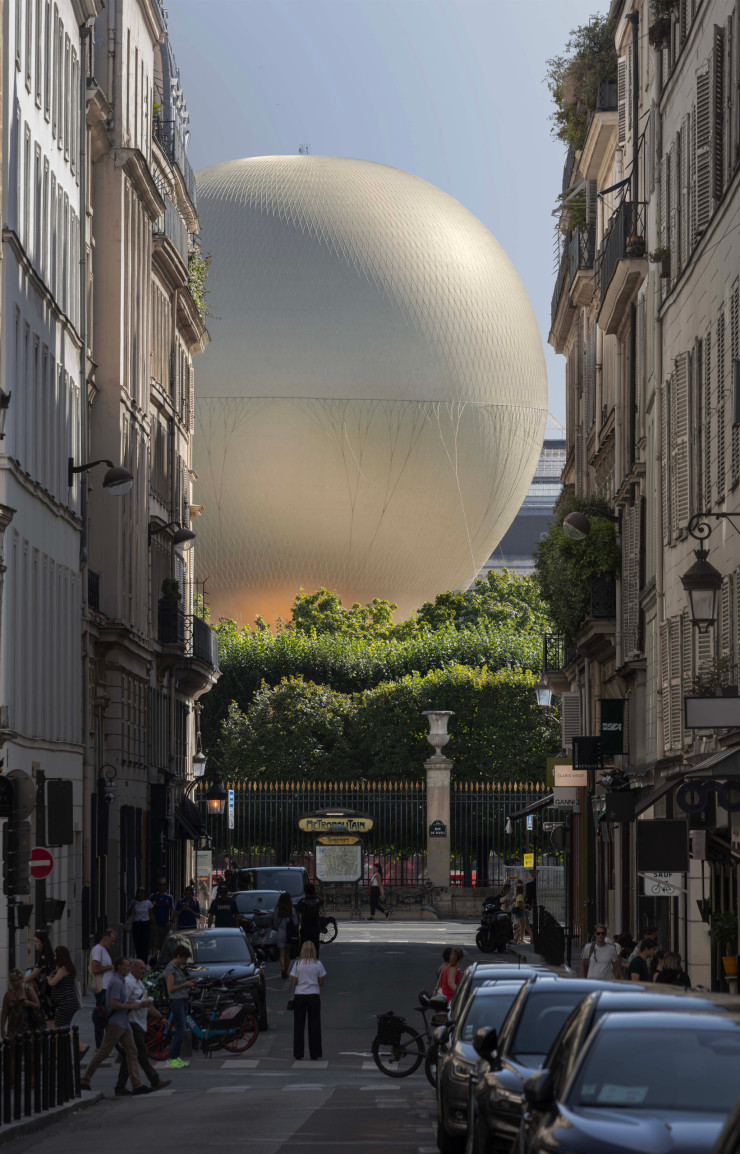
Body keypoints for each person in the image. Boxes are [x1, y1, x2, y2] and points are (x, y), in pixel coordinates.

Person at [80, 957, 149, 1094]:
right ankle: (85, 1079)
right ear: (119, 967)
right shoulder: (117, 983)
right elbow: (113, 1004)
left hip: (123, 1022)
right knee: (103, 1053)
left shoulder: (121, 981)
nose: (129, 968)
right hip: (115, 1024)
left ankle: (137, 1085)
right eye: (127, 966)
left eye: (129, 966)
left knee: (132, 1051)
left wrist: (137, 1004)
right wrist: (132, 1006)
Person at [113, 959, 171, 1095]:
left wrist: (160, 1017)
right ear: (132, 969)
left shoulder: (139, 983)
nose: (143, 971)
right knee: (141, 1053)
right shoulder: (128, 983)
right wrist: (136, 1005)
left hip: (139, 1022)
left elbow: (148, 1005)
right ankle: (154, 1080)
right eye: (140, 968)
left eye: (144, 969)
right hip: (131, 1023)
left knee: (129, 1055)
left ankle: (120, 1086)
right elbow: (122, 1002)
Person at [290, 940, 326, 1060]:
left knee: (299, 1026)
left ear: (303, 951)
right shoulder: (318, 964)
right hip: (314, 995)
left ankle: (298, 1053)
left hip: (300, 995)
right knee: (314, 1025)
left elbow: (294, 982)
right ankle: (314, 1053)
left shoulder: (297, 964)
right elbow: (321, 983)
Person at [163, 944, 197, 1069]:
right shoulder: (170, 969)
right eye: (183, 959)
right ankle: (172, 1057)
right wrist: (185, 985)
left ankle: (176, 1057)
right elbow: (171, 988)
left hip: (182, 1000)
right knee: (180, 1030)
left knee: (181, 1029)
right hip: (176, 1001)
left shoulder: (177, 968)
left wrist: (188, 983)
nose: (184, 962)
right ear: (178, 956)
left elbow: (179, 983)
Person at [89, 927, 117, 1048]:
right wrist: (110, 967)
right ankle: (100, 1046)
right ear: (105, 938)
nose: (113, 943)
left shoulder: (104, 951)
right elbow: (95, 969)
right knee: (101, 1016)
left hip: (107, 988)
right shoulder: (98, 950)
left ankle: (104, 1045)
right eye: (111, 940)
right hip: (102, 988)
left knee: (106, 1016)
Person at [46, 946, 82, 1029]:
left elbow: (52, 983)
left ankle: (80, 1043)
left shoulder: (62, 969)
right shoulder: (69, 968)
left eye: (56, 956)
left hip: (65, 1002)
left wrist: (48, 978)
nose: (54, 958)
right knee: (64, 1027)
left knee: (59, 1028)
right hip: (69, 1002)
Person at [2, 969, 41, 1039]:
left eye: (17, 980)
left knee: (27, 1048)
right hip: (12, 1029)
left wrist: (29, 1003)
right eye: (13, 981)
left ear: (21, 979)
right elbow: (4, 1012)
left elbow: (38, 1005)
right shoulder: (8, 995)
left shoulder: (29, 990)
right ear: (10, 982)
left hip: (27, 1028)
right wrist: (2, 1028)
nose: (15, 983)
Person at [27, 930, 55, 1024]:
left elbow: (34, 974)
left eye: (37, 941)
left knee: (50, 1022)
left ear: (43, 942)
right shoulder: (49, 955)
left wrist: (21, 980)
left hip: (44, 993)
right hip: (48, 992)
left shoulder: (43, 958)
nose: (35, 944)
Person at [273, 891, 299, 979]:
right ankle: (286, 970)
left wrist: (278, 927)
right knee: (288, 953)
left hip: (280, 931)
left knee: (282, 953)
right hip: (289, 933)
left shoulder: (278, 910)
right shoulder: (292, 909)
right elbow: (295, 922)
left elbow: (275, 922)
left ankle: (283, 968)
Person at [149, 878, 175, 953]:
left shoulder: (169, 897)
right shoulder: (153, 896)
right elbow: (149, 909)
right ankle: (154, 960)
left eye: (164, 885)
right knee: (155, 944)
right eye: (160, 884)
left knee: (164, 945)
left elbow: (172, 909)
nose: (162, 886)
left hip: (165, 925)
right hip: (155, 925)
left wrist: (170, 921)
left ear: (166, 886)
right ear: (158, 886)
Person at [127, 887, 153, 962]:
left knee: (145, 943)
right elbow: (129, 914)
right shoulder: (134, 902)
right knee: (138, 944)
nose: (141, 895)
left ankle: (144, 960)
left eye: (142, 893)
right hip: (137, 925)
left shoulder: (148, 903)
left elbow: (151, 914)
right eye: (139, 893)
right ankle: (139, 959)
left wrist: (153, 925)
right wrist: (132, 906)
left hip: (145, 924)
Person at [297, 883, 322, 958]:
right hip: (315, 927)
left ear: (305, 891)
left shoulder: (301, 902)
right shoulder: (318, 901)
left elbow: (297, 914)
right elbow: (322, 900)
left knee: (304, 945)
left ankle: (305, 960)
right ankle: (315, 960)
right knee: (315, 945)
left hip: (305, 927)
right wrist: (315, 895)